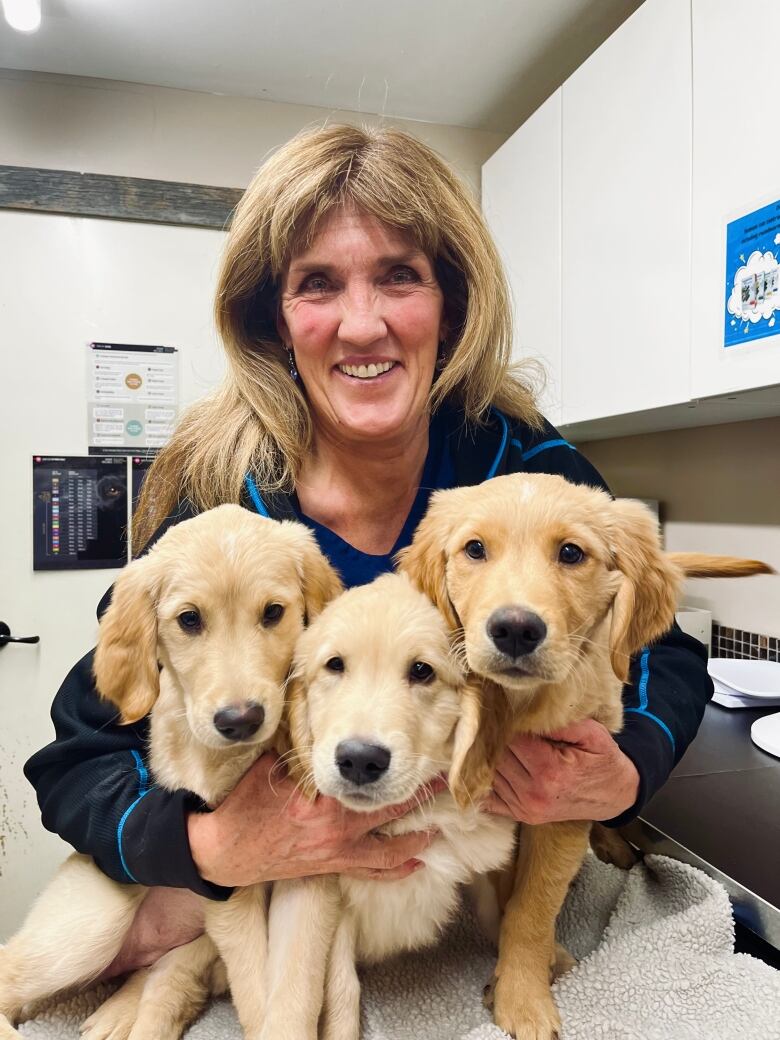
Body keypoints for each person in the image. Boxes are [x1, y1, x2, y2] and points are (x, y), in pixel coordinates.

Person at [25, 124, 711, 974]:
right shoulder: (219, 497)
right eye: (317, 284)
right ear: (274, 322)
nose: (363, 324)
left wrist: (628, 770)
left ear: (450, 305)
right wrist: (206, 846)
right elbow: (83, 749)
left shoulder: (520, 458)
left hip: (457, 923)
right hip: (293, 921)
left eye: (399, 276)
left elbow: (659, 648)